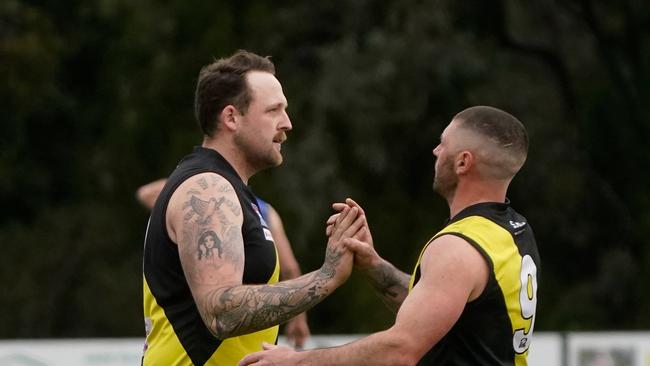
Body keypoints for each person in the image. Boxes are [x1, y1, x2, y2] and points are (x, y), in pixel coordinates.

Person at [239, 105, 541, 365]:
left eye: (442, 143)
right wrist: (373, 265)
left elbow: (400, 350)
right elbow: (436, 312)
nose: (435, 151)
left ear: (463, 162)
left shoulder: (457, 247)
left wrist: (295, 361)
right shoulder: (513, 230)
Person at [141, 50, 364, 365]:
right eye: (273, 110)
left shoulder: (232, 191)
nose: (286, 124)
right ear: (231, 117)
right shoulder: (208, 188)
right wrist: (325, 277)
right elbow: (222, 313)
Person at [136, 179, 310, 348]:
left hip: (200, 332)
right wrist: (299, 319)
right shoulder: (265, 211)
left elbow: (146, 193)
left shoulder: (263, 210)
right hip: (243, 334)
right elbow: (290, 268)